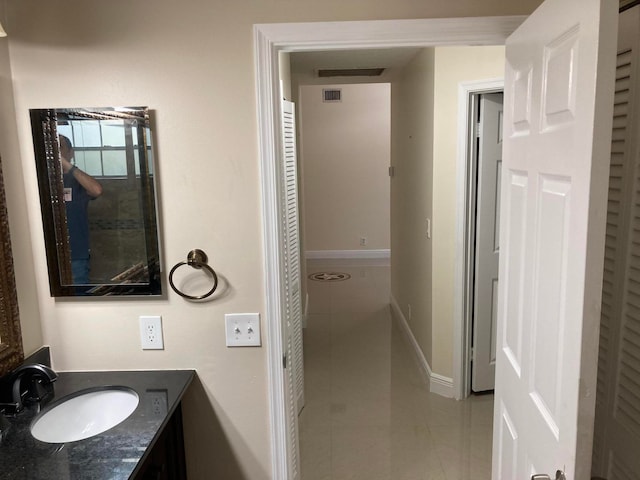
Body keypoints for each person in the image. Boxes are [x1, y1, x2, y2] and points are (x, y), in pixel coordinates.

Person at [59, 135, 103, 284]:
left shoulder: (77, 180)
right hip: (47, 256)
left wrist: (67, 165)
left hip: (76, 254)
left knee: (79, 299)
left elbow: (96, 190)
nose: (55, 152)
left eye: (60, 147)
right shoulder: (42, 179)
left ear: (71, 152)